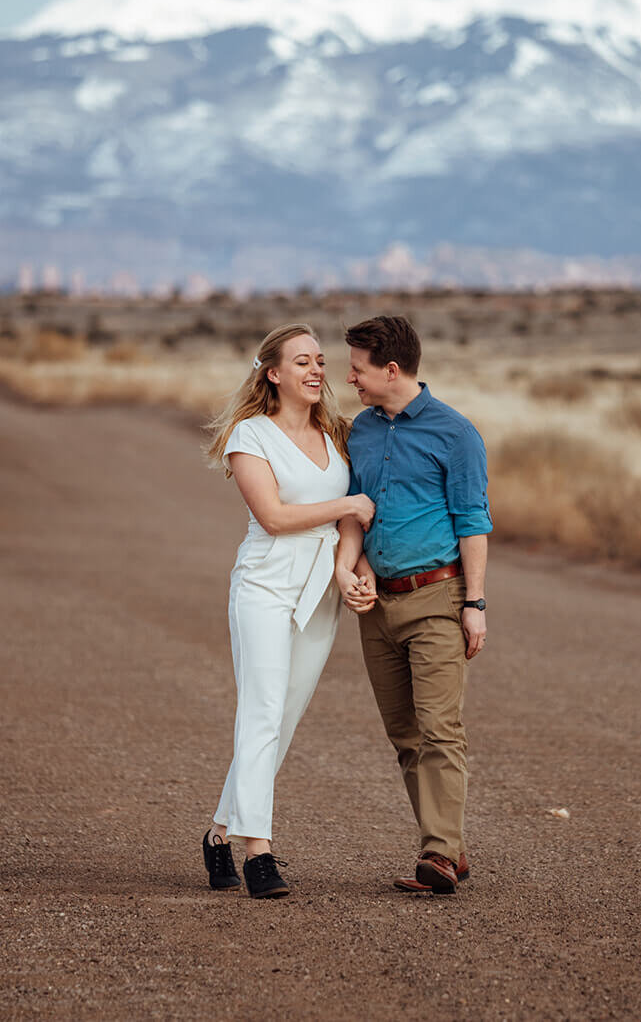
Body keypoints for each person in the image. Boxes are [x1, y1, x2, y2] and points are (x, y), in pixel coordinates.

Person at [201, 324, 375, 899]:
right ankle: (260, 854)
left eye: (321, 360)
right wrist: (347, 502)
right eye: (302, 361)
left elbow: (353, 524)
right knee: (262, 710)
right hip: (265, 586)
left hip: (320, 592)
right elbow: (274, 517)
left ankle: (218, 833)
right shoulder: (250, 435)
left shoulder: (337, 433)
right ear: (273, 373)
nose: (317, 370)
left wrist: (350, 570)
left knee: (284, 721)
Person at [333, 315, 491, 895]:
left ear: (390, 369)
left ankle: (439, 855)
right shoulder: (362, 433)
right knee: (404, 734)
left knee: (440, 728)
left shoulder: (456, 434)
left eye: (357, 368)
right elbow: (359, 510)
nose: (349, 378)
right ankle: (447, 843)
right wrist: (359, 571)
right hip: (377, 608)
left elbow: (473, 522)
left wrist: (474, 603)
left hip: (437, 598)